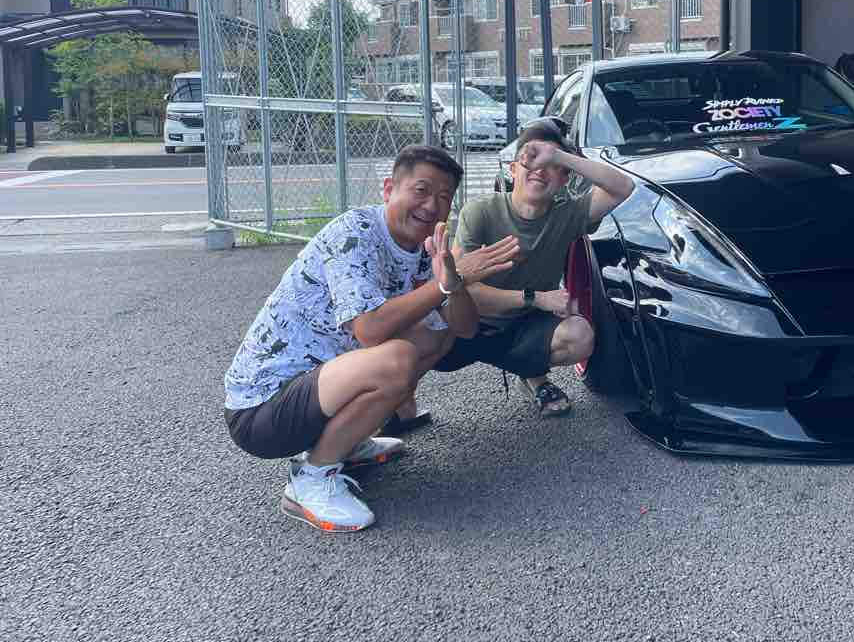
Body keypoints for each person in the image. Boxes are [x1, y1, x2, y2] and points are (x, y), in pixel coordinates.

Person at [222, 145, 520, 533]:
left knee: (438, 333)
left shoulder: (425, 247)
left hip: (319, 390)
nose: (432, 205)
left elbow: (463, 328)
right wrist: (448, 281)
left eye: (444, 197)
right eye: (421, 190)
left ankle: (347, 440)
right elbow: (370, 329)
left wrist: (454, 282)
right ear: (388, 189)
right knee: (396, 359)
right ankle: (311, 479)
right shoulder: (355, 233)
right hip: (262, 411)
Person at [438, 119, 634, 416]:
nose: (539, 169)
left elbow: (623, 187)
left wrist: (558, 155)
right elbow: (465, 291)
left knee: (580, 336)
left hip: (523, 326)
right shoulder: (480, 212)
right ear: (513, 170)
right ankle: (399, 403)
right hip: (471, 324)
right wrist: (537, 298)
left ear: (563, 179)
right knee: (420, 337)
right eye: (530, 158)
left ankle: (532, 375)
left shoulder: (567, 215)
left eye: (550, 165)